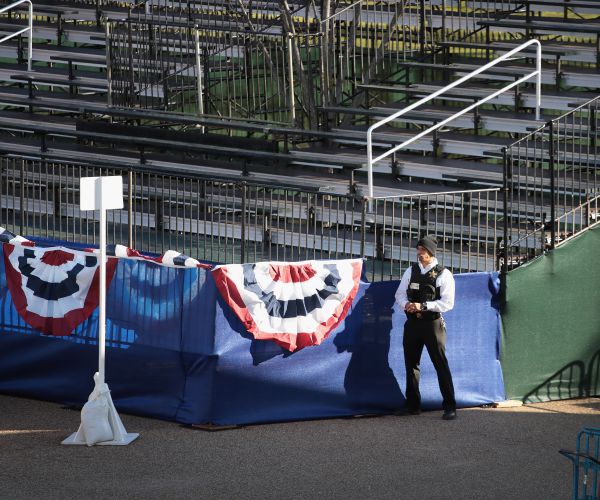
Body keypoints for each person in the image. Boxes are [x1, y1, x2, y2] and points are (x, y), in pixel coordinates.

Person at [394, 235, 457, 420]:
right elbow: (399, 294)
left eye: (423, 250)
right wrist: (406, 304)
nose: (420, 254)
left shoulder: (443, 273)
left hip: (432, 325)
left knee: (440, 364)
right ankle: (413, 405)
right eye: (418, 250)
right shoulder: (411, 271)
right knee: (411, 364)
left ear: (431, 252)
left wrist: (423, 306)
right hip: (413, 323)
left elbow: (448, 303)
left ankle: (450, 405)